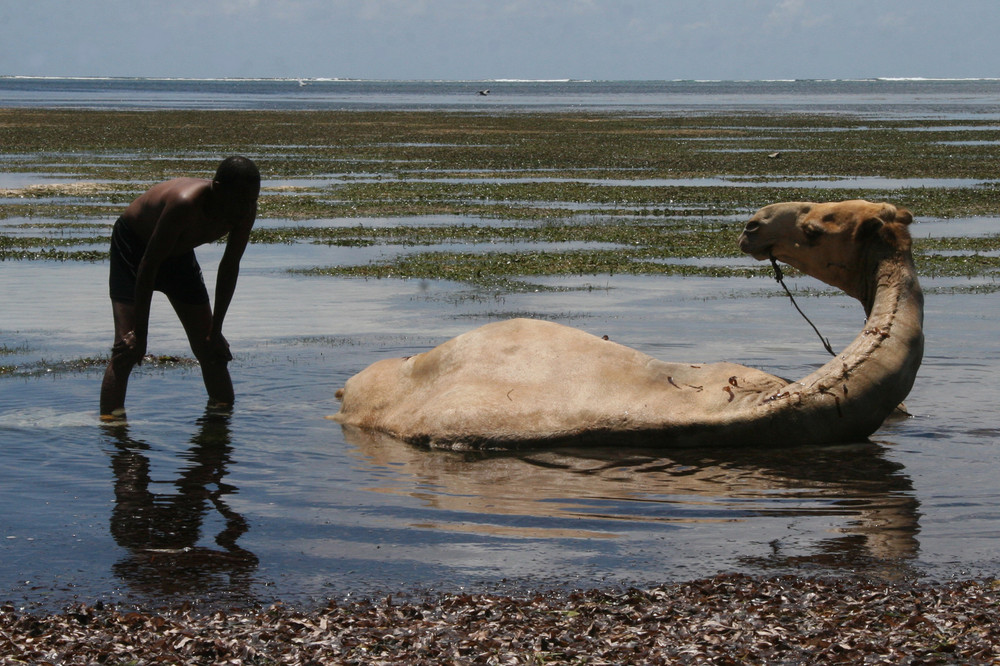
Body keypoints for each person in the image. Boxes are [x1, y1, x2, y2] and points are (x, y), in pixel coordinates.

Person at [100, 156, 260, 420]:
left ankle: (220, 425)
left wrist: (216, 329)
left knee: (211, 349)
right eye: (240, 200)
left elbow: (230, 266)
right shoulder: (185, 204)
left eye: (252, 200)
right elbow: (148, 265)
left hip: (179, 254)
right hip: (135, 248)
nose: (245, 208)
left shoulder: (246, 210)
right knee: (127, 347)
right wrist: (140, 332)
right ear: (218, 189)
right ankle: (111, 426)